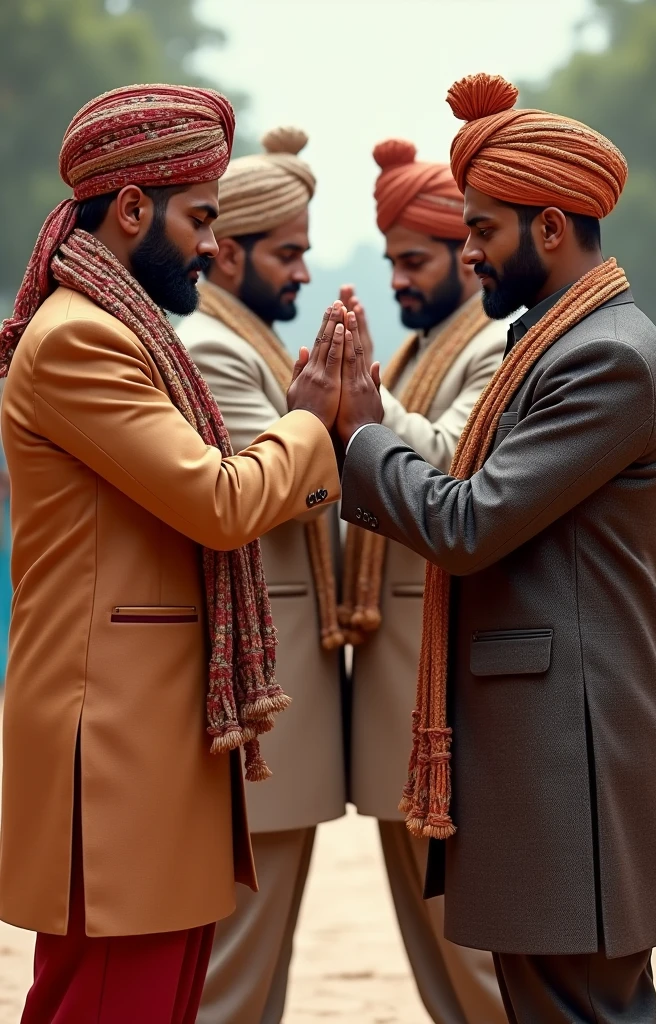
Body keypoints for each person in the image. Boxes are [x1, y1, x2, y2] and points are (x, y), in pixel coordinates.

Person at [334, 73, 656, 1023]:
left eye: (483, 231)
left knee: (581, 1010)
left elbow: (469, 522)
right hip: (549, 753)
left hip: (571, 756)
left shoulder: (605, 356)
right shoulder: (559, 343)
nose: (472, 253)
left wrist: (362, 436)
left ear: (548, 229)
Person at [0, 84, 355, 1024]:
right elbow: (220, 500)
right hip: (116, 752)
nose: (208, 244)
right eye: (199, 219)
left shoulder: (125, 331)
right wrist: (310, 425)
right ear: (131, 209)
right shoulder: (82, 339)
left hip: (149, 749)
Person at [177, 127, 346, 1024]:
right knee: (234, 979)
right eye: (289, 253)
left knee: (255, 974)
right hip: (261, 703)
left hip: (288, 705)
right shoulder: (213, 347)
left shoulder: (251, 345)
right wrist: (329, 423)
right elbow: (276, 490)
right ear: (229, 252)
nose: (304, 274)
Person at [337, 139, 507, 1024]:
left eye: (417, 259)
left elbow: (448, 467)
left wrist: (362, 398)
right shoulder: (418, 352)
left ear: (465, 258)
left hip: (441, 695)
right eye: (393, 260)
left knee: (471, 954)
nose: (401, 278)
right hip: (395, 693)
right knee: (432, 960)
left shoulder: (491, 348)